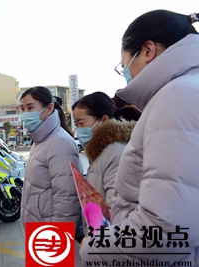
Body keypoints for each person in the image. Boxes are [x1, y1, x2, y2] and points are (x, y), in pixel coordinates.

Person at [80, 10, 199, 265]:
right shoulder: (185, 90)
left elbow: (166, 230)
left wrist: (94, 247)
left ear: (147, 51)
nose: (124, 72)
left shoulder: (176, 97)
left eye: (123, 64)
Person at [19, 86, 83, 239]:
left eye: (30, 107)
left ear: (49, 109)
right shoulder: (40, 139)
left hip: (51, 236)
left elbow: (67, 198)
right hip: (40, 231)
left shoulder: (60, 142)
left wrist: (59, 238)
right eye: (23, 109)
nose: (25, 114)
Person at [72, 92, 139, 233]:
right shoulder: (99, 151)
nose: (79, 129)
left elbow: (116, 207)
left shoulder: (115, 152)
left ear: (103, 119)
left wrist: (100, 243)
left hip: (106, 240)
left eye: (82, 123)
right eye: (76, 124)